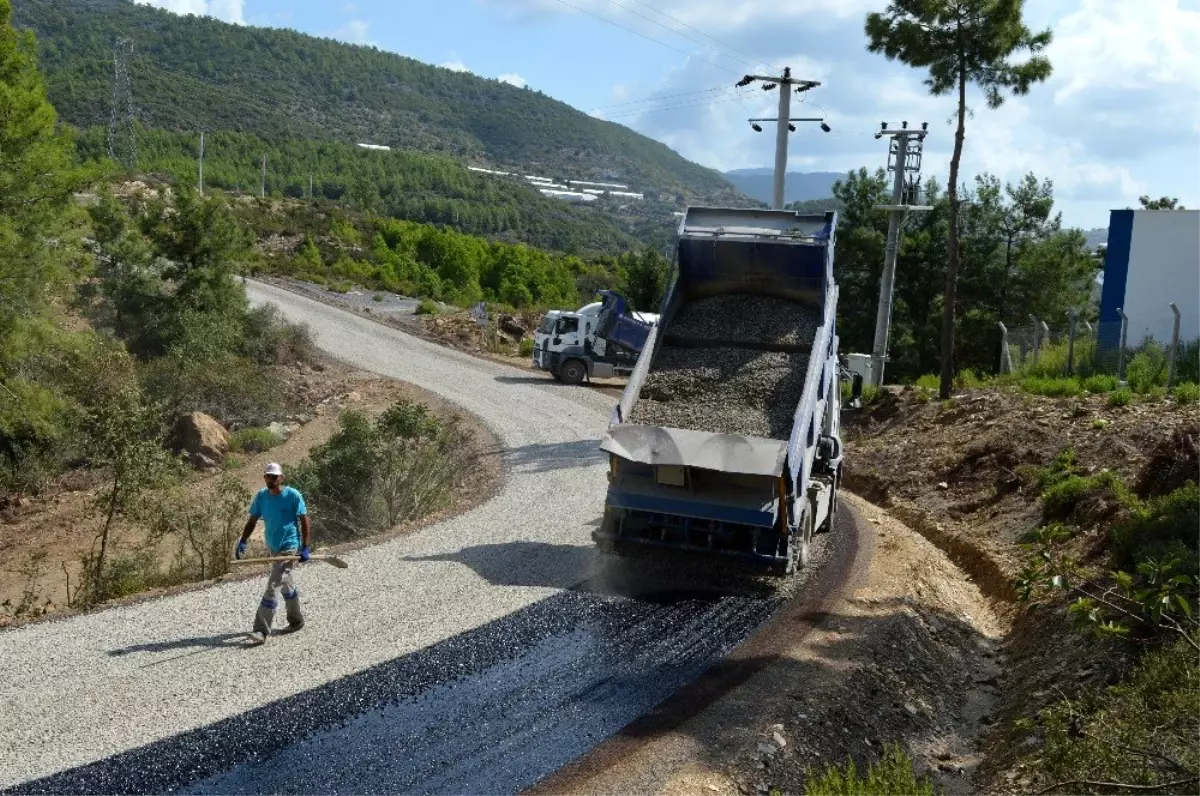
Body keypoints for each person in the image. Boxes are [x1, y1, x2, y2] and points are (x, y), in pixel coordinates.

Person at [236, 462, 311, 644]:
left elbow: (304, 520)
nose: (270, 479)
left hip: (289, 547)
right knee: (286, 584)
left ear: (281, 478)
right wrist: (243, 540)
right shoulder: (261, 496)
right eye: (267, 476)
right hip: (273, 547)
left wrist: (305, 547)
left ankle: (261, 630)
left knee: (273, 585)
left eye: (274, 476)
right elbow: (252, 520)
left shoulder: (292, 495)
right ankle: (297, 620)